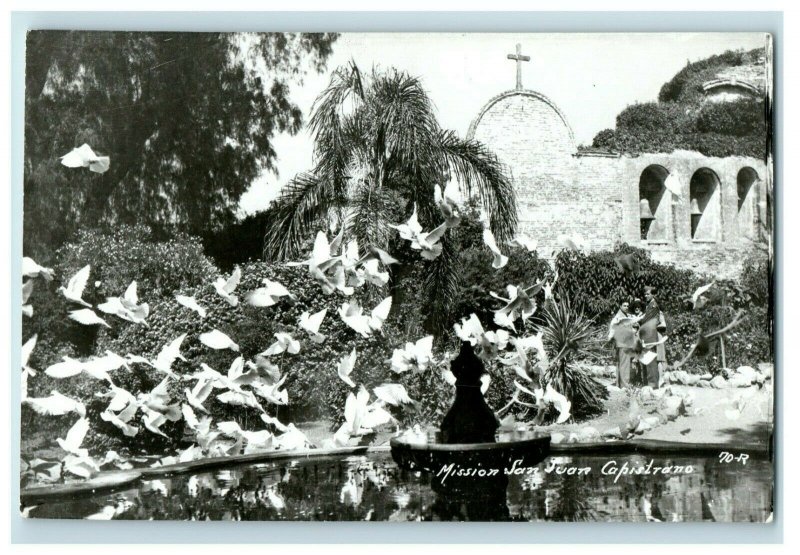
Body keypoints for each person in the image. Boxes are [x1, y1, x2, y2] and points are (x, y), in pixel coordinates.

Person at [638, 286, 668, 388]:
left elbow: (649, 321)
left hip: (651, 334)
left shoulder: (654, 305)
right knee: (647, 359)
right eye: (645, 294)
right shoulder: (648, 305)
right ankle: (649, 384)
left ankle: (652, 384)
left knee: (651, 360)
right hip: (647, 334)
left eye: (648, 294)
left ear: (653, 294)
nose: (646, 296)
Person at [608, 299, 641, 387]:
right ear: (620, 306)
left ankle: (620, 383)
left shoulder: (624, 315)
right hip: (623, 342)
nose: (626, 307)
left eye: (627, 306)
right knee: (625, 364)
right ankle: (625, 384)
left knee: (621, 363)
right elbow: (613, 328)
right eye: (624, 306)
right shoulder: (619, 316)